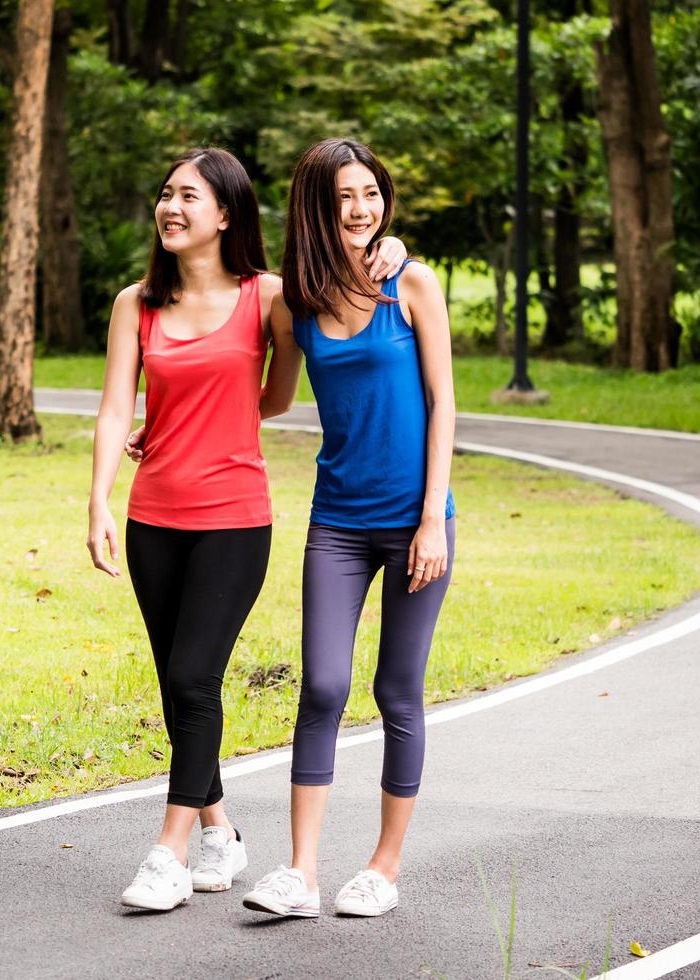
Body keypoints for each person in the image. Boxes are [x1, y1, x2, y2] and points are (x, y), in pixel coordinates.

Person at [87, 146, 405, 912]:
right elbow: (110, 409)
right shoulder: (137, 304)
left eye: (187, 197)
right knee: (177, 683)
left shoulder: (270, 298)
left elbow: (278, 396)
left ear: (225, 214)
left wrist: (390, 246)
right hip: (151, 516)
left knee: (196, 676)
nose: (170, 207)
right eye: (165, 195)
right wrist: (98, 498)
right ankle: (221, 830)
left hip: (234, 519)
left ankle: (167, 852)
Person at [240, 138, 455, 920]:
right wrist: (170, 419)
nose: (361, 210)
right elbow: (274, 399)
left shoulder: (412, 282)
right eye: (343, 198)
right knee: (323, 686)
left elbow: (444, 403)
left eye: (370, 194)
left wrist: (433, 519)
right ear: (316, 210)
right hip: (336, 519)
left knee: (396, 690)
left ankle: (384, 867)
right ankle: (300, 872)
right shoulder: (296, 302)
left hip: (413, 523)